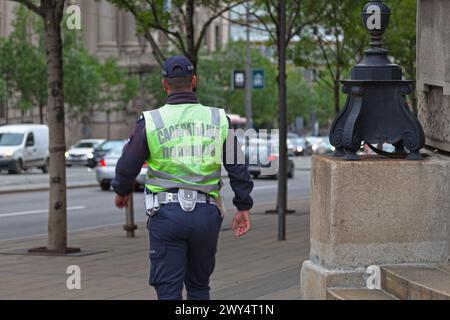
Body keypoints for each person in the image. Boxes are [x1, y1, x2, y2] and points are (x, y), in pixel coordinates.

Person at [112, 55, 254, 300]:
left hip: (166, 215)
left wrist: (122, 189)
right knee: (199, 287)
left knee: (168, 290)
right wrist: (243, 205)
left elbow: (129, 162)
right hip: (206, 215)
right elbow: (237, 165)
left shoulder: (152, 121)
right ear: (194, 81)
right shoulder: (218, 119)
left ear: (164, 85)